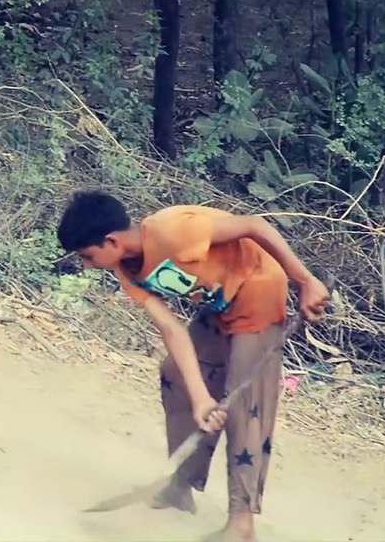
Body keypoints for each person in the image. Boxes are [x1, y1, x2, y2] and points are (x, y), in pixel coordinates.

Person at [55, 191, 329, 542]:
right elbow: (171, 329)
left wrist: (304, 281)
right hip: (221, 306)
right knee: (176, 375)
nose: (88, 265)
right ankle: (182, 484)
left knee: (244, 406)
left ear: (111, 240)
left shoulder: (172, 232)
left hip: (258, 289)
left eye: (88, 256)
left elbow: (254, 226)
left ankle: (242, 524)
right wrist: (201, 398)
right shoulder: (127, 269)